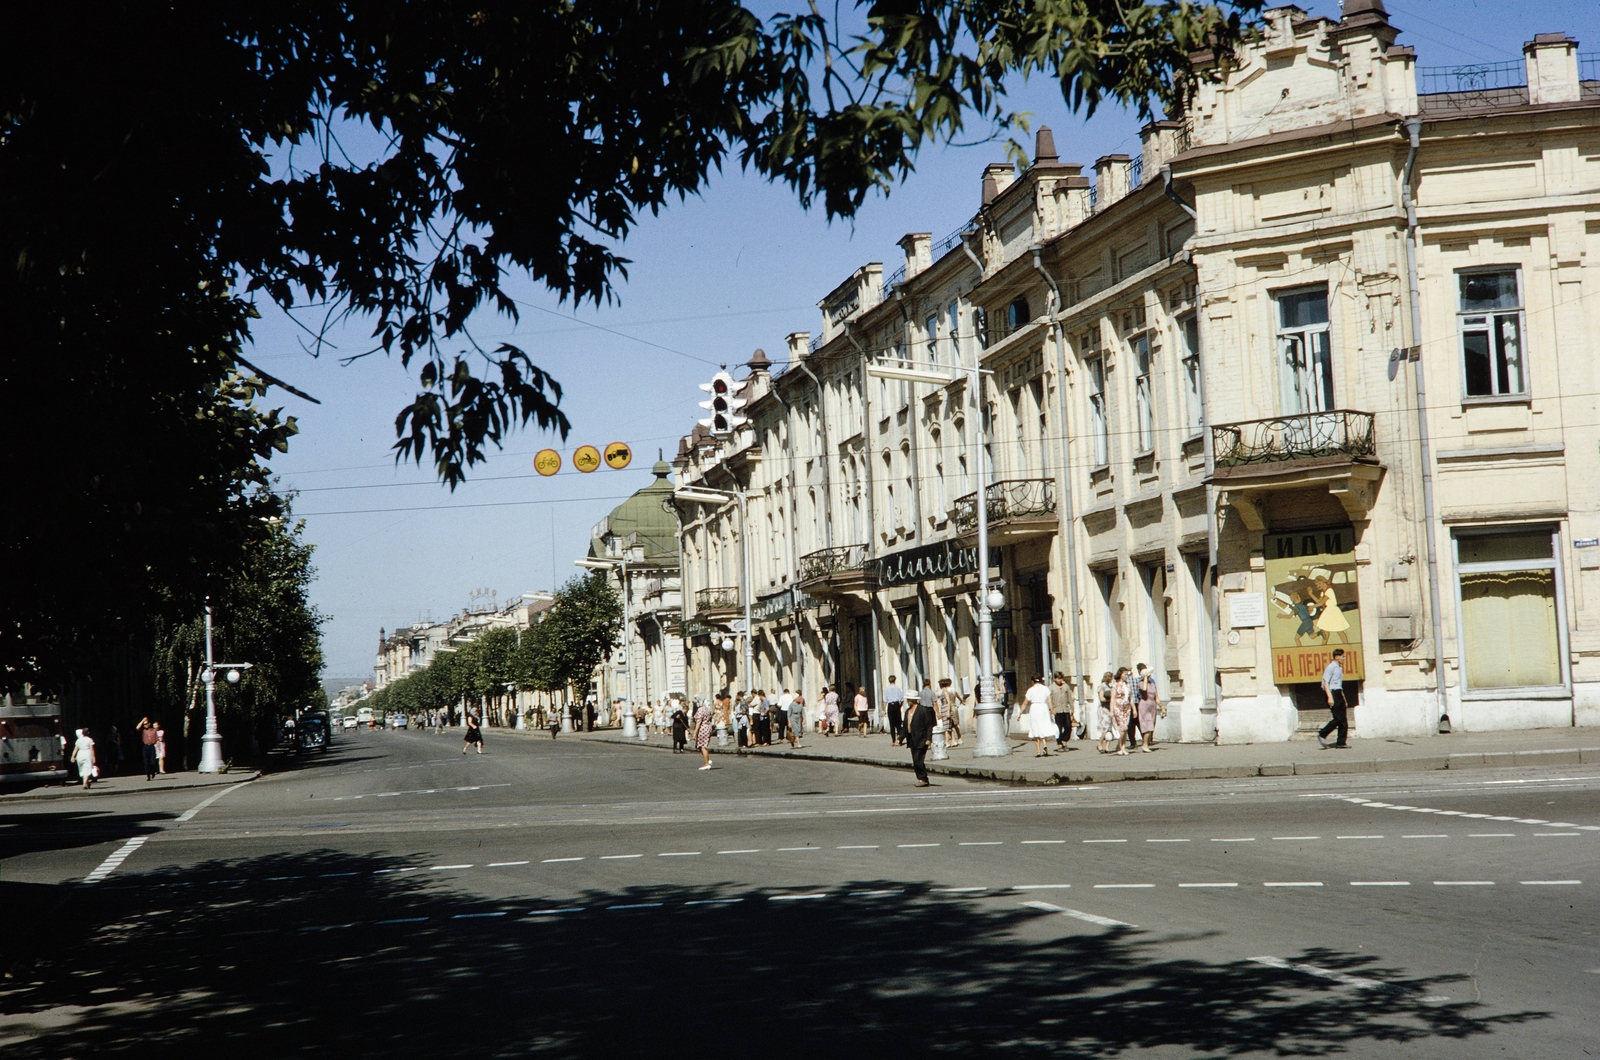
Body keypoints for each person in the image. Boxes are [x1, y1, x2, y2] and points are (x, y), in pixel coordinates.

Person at [1318, 648, 1351, 748]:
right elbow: (1325, 682)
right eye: (1343, 656)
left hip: (1338, 693)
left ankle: (1341, 742)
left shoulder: (1339, 668)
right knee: (1338, 718)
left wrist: (1343, 698)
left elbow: (1339, 684)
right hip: (1332, 693)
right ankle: (1322, 734)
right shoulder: (1330, 667)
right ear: (1337, 657)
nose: (1344, 658)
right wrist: (1329, 697)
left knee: (1343, 720)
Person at [904, 686, 934, 786]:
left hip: (922, 738)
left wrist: (929, 738)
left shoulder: (923, 710)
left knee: (918, 760)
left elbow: (929, 725)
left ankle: (923, 779)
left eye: (909, 699)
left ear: (913, 700)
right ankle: (922, 778)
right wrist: (899, 739)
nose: (907, 701)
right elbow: (905, 726)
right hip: (912, 739)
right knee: (915, 760)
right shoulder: (907, 711)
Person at [1024, 674, 1055, 757]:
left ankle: (1038, 751)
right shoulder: (1045, 688)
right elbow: (1049, 701)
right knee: (1043, 726)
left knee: (1035, 727)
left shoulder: (1031, 690)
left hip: (1035, 707)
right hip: (1043, 707)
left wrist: (1020, 713)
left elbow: (1025, 702)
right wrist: (1052, 711)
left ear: (1032, 681)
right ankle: (1045, 745)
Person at [1313, 577, 1351, 645]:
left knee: (1339, 630)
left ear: (1324, 582)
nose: (1318, 585)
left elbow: (1321, 603)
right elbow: (1319, 601)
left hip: (1333, 610)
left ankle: (1346, 645)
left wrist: (1312, 607)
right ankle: (1323, 647)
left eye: (1319, 583)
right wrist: (1311, 594)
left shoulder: (1329, 590)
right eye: (1316, 584)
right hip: (1327, 611)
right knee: (1325, 631)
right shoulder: (1322, 592)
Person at [1134, 664, 1163, 752]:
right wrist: (1145, 678)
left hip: (1152, 705)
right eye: (1148, 674)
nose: (1150, 676)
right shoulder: (1141, 683)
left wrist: (1162, 707)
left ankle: (1145, 743)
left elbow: (1156, 697)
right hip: (1144, 705)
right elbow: (1144, 689)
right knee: (1148, 725)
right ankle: (1145, 745)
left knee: (1151, 726)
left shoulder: (1153, 684)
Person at [1109, 668, 1134, 756]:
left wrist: (1134, 709)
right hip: (1118, 708)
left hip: (1126, 708)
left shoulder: (1127, 684)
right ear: (1120, 674)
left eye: (1127, 674)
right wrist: (1111, 711)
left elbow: (1130, 698)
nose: (1126, 676)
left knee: (1126, 728)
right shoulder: (1115, 685)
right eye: (1125, 674)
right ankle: (1120, 747)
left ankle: (1122, 746)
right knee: (1122, 728)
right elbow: (1112, 699)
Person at [1050, 674, 1073, 751]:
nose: (1059, 680)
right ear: (1055, 679)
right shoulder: (1051, 687)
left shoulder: (1066, 686)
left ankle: (1064, 740)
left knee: (1068, 726)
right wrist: (1051, 710)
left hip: (1065, 709)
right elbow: (1050, 699)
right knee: (1058, 728)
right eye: (1058, 678)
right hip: (1057, 710)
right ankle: (1059, 744)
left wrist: (1072, 707)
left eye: (1061, 678)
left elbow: (1070, 697)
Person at [937, 679, 962, 747]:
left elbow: (948, 701)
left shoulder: (945, 692)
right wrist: (961, 701)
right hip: (953, 707)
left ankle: (948, 741)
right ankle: (956, 739)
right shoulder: (952, 690)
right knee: (953, 725)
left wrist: (947, 711)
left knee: (948, 725)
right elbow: (958, 696)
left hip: (947, 708)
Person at [693, 698, 716, 770]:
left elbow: (698, 722)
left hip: (702, 728)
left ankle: (706, 764)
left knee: (702, 746)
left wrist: (695, 732)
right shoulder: (707, 709)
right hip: (708, 728)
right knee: (701, 746)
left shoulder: (700, 710)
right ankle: (707, 760)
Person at [883, 676, 906, 746]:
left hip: (890, 706)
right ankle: (899, 740)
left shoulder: (887, 689)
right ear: (895, 680)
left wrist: (884, 709)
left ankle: (893, 740)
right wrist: (900, 706)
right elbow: (902, 700)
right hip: (896, 705)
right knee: (898, 723)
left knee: (891, 724)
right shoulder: (898, 689)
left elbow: (885, 701)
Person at [1095, 672, 1115, 754]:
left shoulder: (1110, 686)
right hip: (1103, 709)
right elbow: (1101, 698)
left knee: (1109, 728)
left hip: (1109, 708)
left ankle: (1107, 747)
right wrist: (1110, 699)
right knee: (1105, 728)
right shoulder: (1101, 686)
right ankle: (1100, 743)